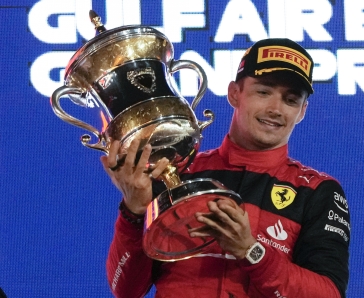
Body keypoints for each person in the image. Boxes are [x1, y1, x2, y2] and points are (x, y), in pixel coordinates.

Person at [102, 38, 351, 298]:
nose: (276, 109)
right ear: (234, 93)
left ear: (302, 112)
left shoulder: (315, 191)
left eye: (290, 100)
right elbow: (126, 289)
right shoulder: (176, 172)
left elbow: (329, 294)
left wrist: (251, 251)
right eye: (263, 92)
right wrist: (134, 212)